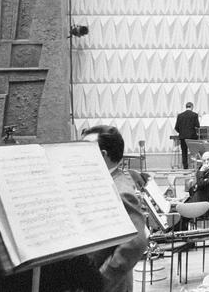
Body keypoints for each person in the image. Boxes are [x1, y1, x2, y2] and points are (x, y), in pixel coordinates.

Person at [81, 125, 148, 292]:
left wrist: (101, 278)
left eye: (84, 149)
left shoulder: (120, 190)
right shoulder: (106, 180)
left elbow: (136, 243)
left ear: (102, 154)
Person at [174, 101, 199, 169]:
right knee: (193, 152)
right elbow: (197, 126)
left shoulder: (180, 115)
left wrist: (181, 132)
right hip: (192, 137)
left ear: (186, 107)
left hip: (183, 137)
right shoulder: (195, 115)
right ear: (192, 107)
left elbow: (176, 127)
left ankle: (185, 168)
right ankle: (194, 167)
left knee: (184, 153)